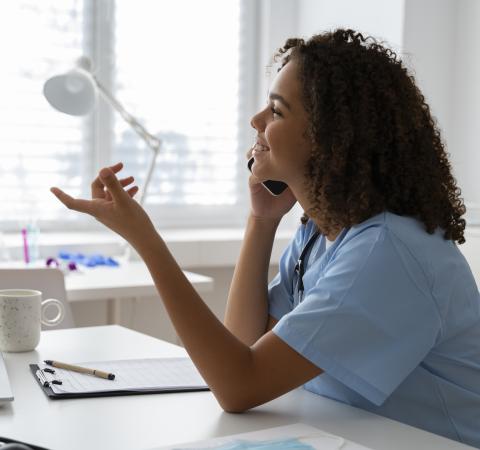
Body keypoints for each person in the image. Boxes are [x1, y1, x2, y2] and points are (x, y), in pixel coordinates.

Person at [51, 29, 480, 448]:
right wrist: (261, 221)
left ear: (328, 138)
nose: (256, 121)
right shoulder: (323, 234)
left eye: (276, 111)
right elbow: (243, 343)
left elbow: (238, 385)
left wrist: (146, 241)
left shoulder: (386, 253)